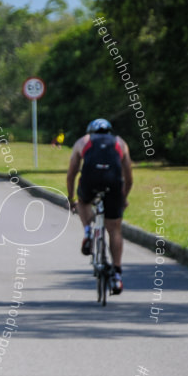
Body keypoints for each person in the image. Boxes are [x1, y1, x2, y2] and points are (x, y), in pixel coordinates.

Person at [66, 118, 134, 294]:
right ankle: (117, 274)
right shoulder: (121, 143)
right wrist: (123, 198)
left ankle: (88, 231)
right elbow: (129, 176)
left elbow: (72, 172)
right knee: (115, 230)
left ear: (91, 131)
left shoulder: (83, 141)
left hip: (90, 182)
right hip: (113, 184)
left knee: (84, 201)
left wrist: (71, 197)